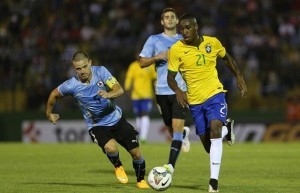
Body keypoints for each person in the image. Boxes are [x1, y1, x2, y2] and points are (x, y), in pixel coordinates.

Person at [167, 13, 247, 192]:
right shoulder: (176, 50)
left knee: (215, 130)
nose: (184, 32)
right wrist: (178, 91)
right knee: (208, 146)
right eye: (182, 29)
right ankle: (228, 129)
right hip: (195, 102)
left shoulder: (213, 42)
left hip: (215, 95)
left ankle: (213, 183)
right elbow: (170, 77)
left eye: (188, 28)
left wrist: (239, 76)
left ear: (196, 28)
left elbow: (227, 58)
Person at [45, 51, 149, 189]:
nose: (82, 71)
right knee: (110, 148)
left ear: (90, 63)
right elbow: (54, 94)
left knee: (136, 153)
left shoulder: (101, 72)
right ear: (74, 68)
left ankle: (141, 180)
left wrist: (109, 94)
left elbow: (119, 89)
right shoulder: (71, 85)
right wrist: (49, 113)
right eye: (78, 68)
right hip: (96, 124)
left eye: (84, 67)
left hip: (116, 118)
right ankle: (117, 165)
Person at [139, 7, 191, 175]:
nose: (169, 19)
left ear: (177, 21)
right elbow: (141, 62)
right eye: (166, 17)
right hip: (161, 91)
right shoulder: (153, 40)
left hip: (179, 90)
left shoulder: (184, 40)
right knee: (170, 128)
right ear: (162, 22)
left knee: (175, 128)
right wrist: (157, 57)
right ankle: (183, 134)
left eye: (172, 17)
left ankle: (169, 167)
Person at [124, 56, 156, 143]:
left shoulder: (150, 65)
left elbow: (155, 79)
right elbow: (129, 78)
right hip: (136, 96)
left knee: (145, 114)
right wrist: (127, 88)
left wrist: (157, 89)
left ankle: (143, 137)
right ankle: (139, 135)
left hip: (147, 95)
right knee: (138, 116)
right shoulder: (133, 66)